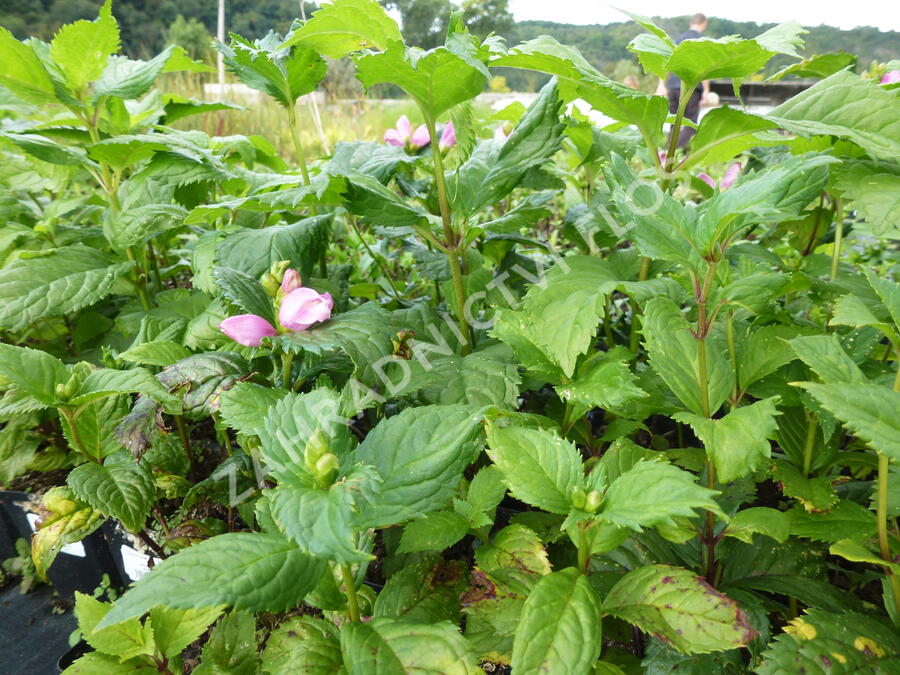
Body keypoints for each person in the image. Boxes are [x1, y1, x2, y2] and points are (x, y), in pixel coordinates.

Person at [665, 13, 711, 149]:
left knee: (674, 122)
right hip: (691, 87)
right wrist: (706, 90)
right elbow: (705, 67)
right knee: (691, 123)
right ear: (704, 23)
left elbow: (667, 62)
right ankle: (676, 152)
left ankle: (666, 153)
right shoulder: (702, 40)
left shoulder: (678, 39)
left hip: (673, 85)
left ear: (691, 23)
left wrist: (661, 85)